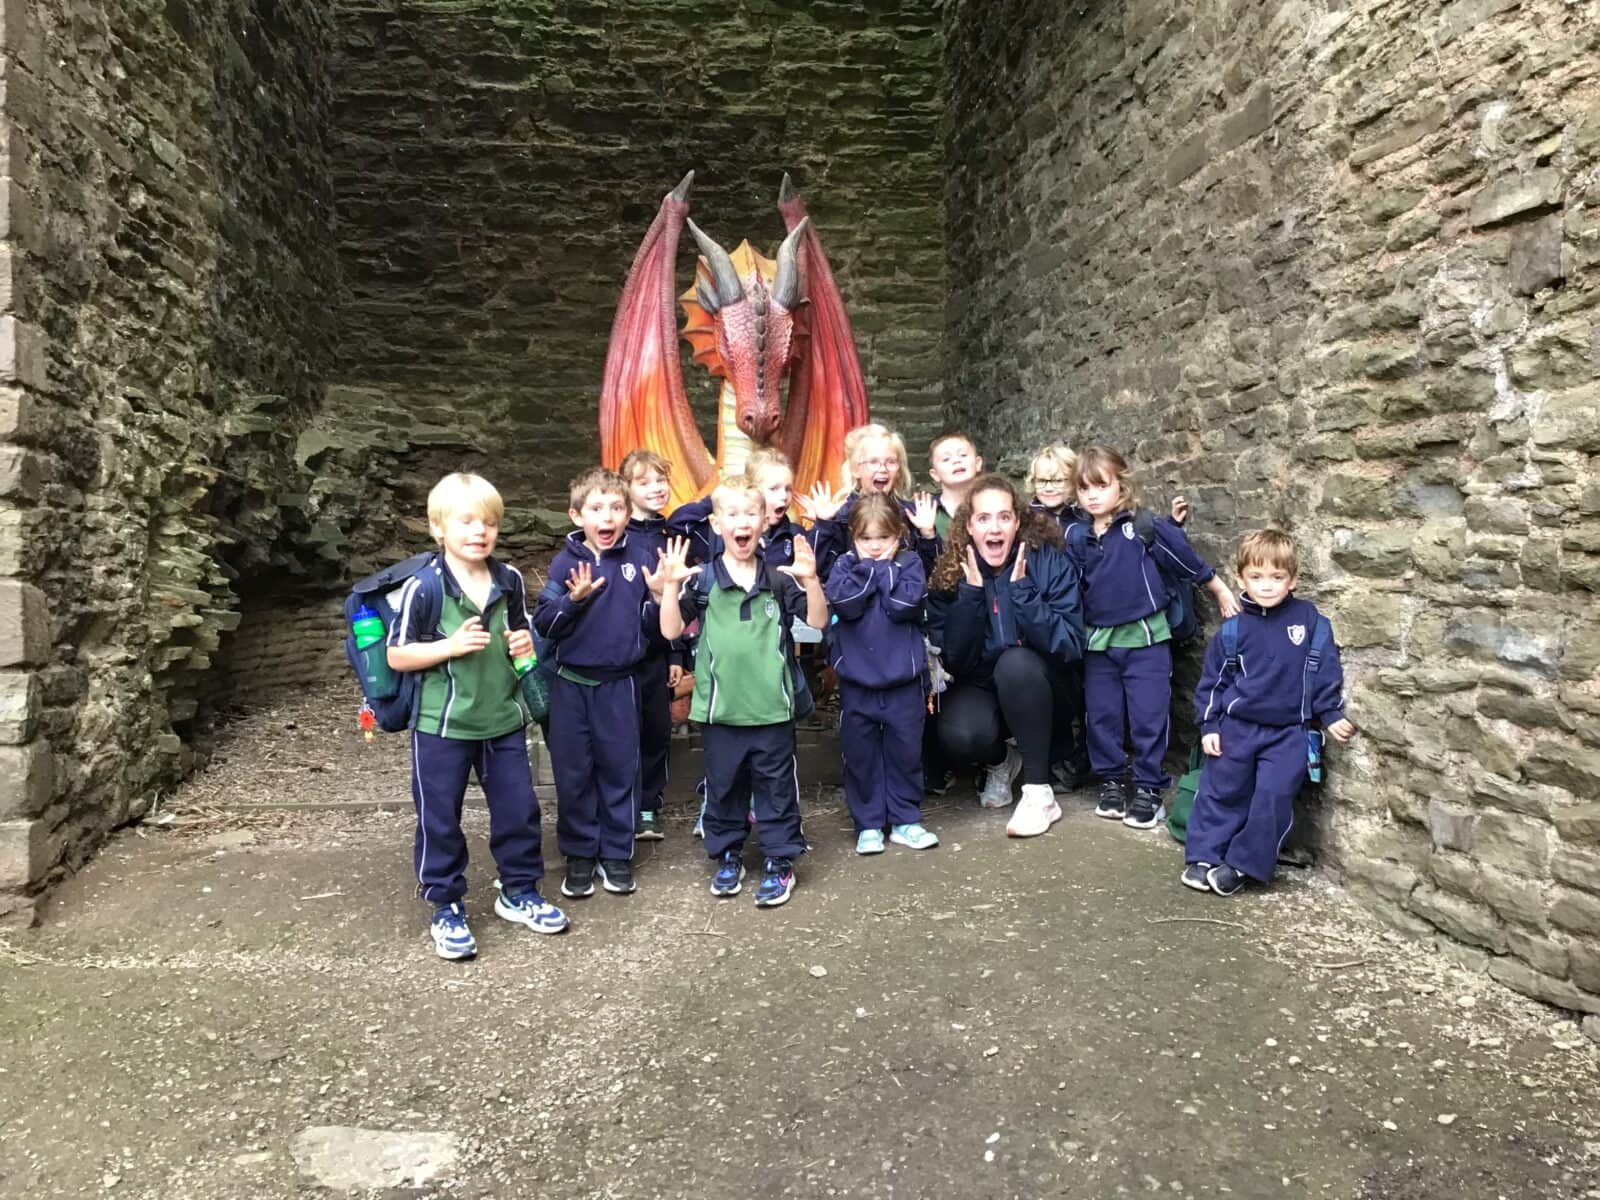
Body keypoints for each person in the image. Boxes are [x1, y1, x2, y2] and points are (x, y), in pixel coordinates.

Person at [385, 472, 568, 959]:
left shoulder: (507, 580)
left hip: (502, 719)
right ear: (438, 527)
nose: (479, 531)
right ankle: (445, 904)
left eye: (488, 522)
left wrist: (525, 644)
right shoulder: (423, 588)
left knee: (519, 811)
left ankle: (520, 892)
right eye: (465, 521)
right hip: (441, 726)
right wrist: (449, 646)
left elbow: (520, 638)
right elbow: (397, 656)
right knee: (440, 818)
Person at [655, 477, 829, 908]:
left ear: (765, 522)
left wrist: (811, 582)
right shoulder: (704, 580)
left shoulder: (778, 578)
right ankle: (727, 854)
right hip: (721, 713)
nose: (741, 522)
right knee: (723, 786)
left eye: (750, 513)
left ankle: (779, 860)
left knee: (777, 789)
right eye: (731, 514)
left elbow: (819, 621)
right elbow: (670, 630)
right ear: (716, 524)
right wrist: (671, 588)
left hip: (772, 712)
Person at [1068, 446, 1240, 832]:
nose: (1092, 495)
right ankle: (1111, 780)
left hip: (1145, 639)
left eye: (1101, 485)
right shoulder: (1077, 536)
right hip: (1098, 643)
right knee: (1102, 716)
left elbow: (1185, 560)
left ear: (1122, 485)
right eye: (1083, 489)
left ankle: (1148, 787)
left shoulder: (1144, 527)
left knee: (1148, 715)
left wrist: (1220, 590)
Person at [1185, 530, 1356, 895]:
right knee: (1221, 792)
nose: (1266, 586)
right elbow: (1213, 683)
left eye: (1277, 577)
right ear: (1241, 578)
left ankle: (1243, 866)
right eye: (1256, 577)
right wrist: (1209, 724)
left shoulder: (1310, 622)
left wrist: (1330, 714)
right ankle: (1204, 855)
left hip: (1288, 733)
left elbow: (1324, 670)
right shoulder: (1232, 631)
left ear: (1292, 579)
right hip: (1237, 729)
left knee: (1273, 798)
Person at [925, 474, 1085, 838]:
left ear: (1017, 522)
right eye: (984, 518)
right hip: (981, 685)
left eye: (1003, 517)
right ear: (969, 525)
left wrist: (1024, 594)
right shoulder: (951, 573)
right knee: (963, 735)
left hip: (1042, 686)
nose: (994, 527)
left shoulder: (1046, 563)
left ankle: (1038, 791)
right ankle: (1001, 760)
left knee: (1015, 663)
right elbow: (953, 663)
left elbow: (1071, 646)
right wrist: (969, 597)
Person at [533, 467, 662, 900]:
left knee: (620, 770)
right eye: (596, 508)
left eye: (616, 508)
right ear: (577, 515)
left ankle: (616, 855)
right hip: (570, 686)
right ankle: (580, 854)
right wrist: (574, 600)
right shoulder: (565, 563)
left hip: (621, 685)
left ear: (627, 514)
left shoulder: (641, 558)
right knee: (574, 774)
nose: (606, 516)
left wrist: (661, 597)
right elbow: (546, 627)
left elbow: (654, 629)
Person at [823, 493, 939, 855]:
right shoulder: (843, 566)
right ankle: (869, 823)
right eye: (865, 539)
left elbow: (904, 605)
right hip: (858, 685)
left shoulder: (910, 563)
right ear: (852, 537)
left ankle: (905, 819)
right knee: (862, 757)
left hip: (904, 684)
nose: (874, 547)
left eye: (883, 538)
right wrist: (878, 573)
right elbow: (846, 604)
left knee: (905, 753)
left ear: (899, 535)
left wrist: (878, 572)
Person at [619, 449, 677, 842]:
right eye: (644, 482)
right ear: (626, 489)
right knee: (624, 732)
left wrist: (676, 652)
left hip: (658, 651)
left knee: (656, 729)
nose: (656, 488)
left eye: (661, 480)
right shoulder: (615, 534)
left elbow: (681, 600)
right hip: (621, 654)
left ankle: (648, 806)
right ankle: (621, 805)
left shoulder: (673, 533)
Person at [798, 422, 939, 580]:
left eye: (891, 462)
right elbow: (820, 571)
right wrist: (823, 525)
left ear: (899, 470)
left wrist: (928, 535)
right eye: (873, 462)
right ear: (856, 469)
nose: (883, 469)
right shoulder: (841, 516)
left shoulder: (912, 516)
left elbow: (931, 575)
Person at [918, 430, 985, 542]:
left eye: (963, 455)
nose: (956, 461)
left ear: (978, 463)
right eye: (946, 459)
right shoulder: (926, 512)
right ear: (935, 474)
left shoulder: (993, 505)